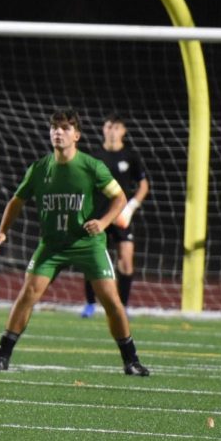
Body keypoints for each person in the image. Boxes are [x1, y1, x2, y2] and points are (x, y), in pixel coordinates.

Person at [0, 108, 150, 376]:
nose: (58, 132)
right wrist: (2, 230)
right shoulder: (40, 168)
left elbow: (120, 198)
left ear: (77, 135)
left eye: (64, 128)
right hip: (51, 245)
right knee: (27, 295)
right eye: (54, 128)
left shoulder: (91, 166)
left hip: (87, 243)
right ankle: (2, 356)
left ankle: (131, 361)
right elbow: (16, 200)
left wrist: (104, 222)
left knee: (111, 299)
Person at [81, 113, 150, 317]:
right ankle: (90, 304)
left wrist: (130, 208)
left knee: (126, 260)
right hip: (98, 216)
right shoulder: (94, 157)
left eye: (117, 127)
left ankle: (123, 306)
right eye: (109, 126)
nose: (112, 131)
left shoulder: (130, 156)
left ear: (123, 131)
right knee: (92, 260)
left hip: (121, 216)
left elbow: (143, 186)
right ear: (103, 129)